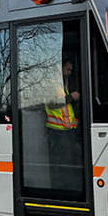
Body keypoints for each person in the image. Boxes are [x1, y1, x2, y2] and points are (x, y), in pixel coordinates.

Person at [44, 58, 82, 191]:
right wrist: (71, 97)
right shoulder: (51, 84)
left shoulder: (62, 86)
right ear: (60, 68)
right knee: (61, 163)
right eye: (67, 69)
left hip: (66, 130)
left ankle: (66, 185)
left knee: (68, 161)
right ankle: (61, 188)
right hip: (57, 131)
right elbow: (52, 104)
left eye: (71, 70)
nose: (69, 73)